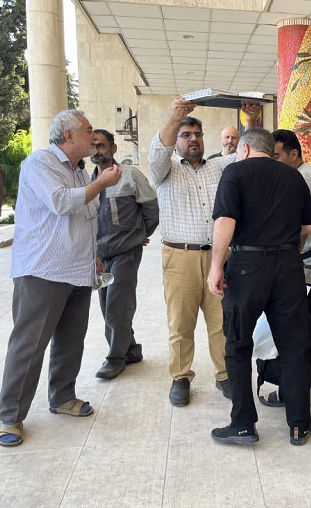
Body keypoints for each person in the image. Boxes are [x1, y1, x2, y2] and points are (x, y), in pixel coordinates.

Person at [0, 109, 122, 448]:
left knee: (71, 339)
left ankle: (63, 396)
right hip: (43, 270)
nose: (93, 136)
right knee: (29, 345)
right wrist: (101, 183)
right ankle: (9, 416)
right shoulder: (40, 163)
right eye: (87, 129)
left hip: (78, 270)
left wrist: (93, 254)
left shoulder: (80, 171)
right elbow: (61, 203)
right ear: (68, 135)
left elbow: (85, 216)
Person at [207, 128, 311, 446]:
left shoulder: (235, 173)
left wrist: (216, 266)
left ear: (244, 149)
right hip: (288, 266)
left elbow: (225, 221)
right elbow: (309, 225)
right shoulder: (293, 176)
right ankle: (298, 424)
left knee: (238, 345)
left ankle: (243, 424)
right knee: (293, 346)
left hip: (247, 267)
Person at [148, 98, 231, 407]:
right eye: (186, 135)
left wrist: (251, 121)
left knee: (221, 321)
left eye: (197, 134)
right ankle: (181, 377)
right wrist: (174, 118)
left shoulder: (219, 166)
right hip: (179, 257)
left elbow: (247, 157)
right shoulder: (164, 170)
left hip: (218, 258)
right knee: (181, 323)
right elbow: (159, 151)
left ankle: (225, 375)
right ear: (177, 140)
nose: (193, 139)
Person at [265, 129, 311, 405]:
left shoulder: (301, 178)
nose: (272, 162)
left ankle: (294, 386)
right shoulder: (303, 174)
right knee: (307, 322)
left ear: (294, 154)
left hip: (308, 263)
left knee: (295, 328)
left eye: (276, 156)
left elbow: (301, 227)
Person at [90, 129, 159, 379]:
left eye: (101, 145)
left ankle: (115, 358)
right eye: (93, 146)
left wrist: (139, 234)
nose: (97, 150)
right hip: (100, 254)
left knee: (118, 307)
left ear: (113, 149)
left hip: (125, 252)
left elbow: (151, 209)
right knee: (106, 304)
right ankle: (130, 349)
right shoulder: (87, 181)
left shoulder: (130, 175)